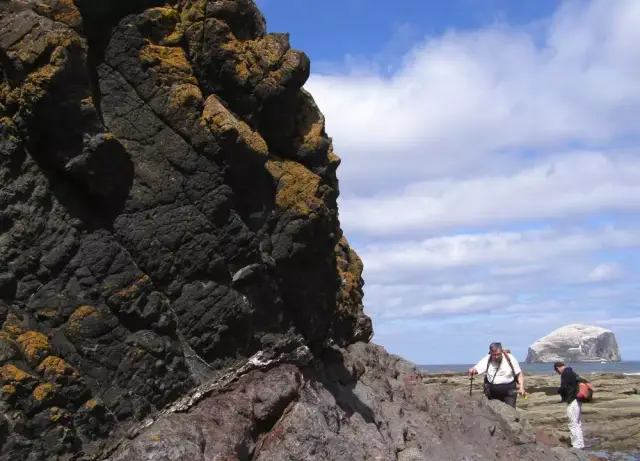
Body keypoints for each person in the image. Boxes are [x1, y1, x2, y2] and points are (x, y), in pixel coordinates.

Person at [467, 342, 525, 408]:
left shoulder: (510, 358)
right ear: (490, 353)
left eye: (498, 354)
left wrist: (521, 387)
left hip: (509, 393)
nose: (496, 357)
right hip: (492, 393)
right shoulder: (487, 359)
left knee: (510, 414)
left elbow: (519, 373)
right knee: (491, 414)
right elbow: (478, 368)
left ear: (501, 351)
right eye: (494, 355)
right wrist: (473, 370)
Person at [554, 362, 584, 449]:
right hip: (577, 400)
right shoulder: (572, 372)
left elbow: (564, 387)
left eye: (557, 371)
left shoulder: (565, 373)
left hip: (572, 400)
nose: (558, 373)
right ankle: (580, 443)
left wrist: (558, 391)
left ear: (558, 368)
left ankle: (576, 445)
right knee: (577, 422)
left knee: (573, 423)